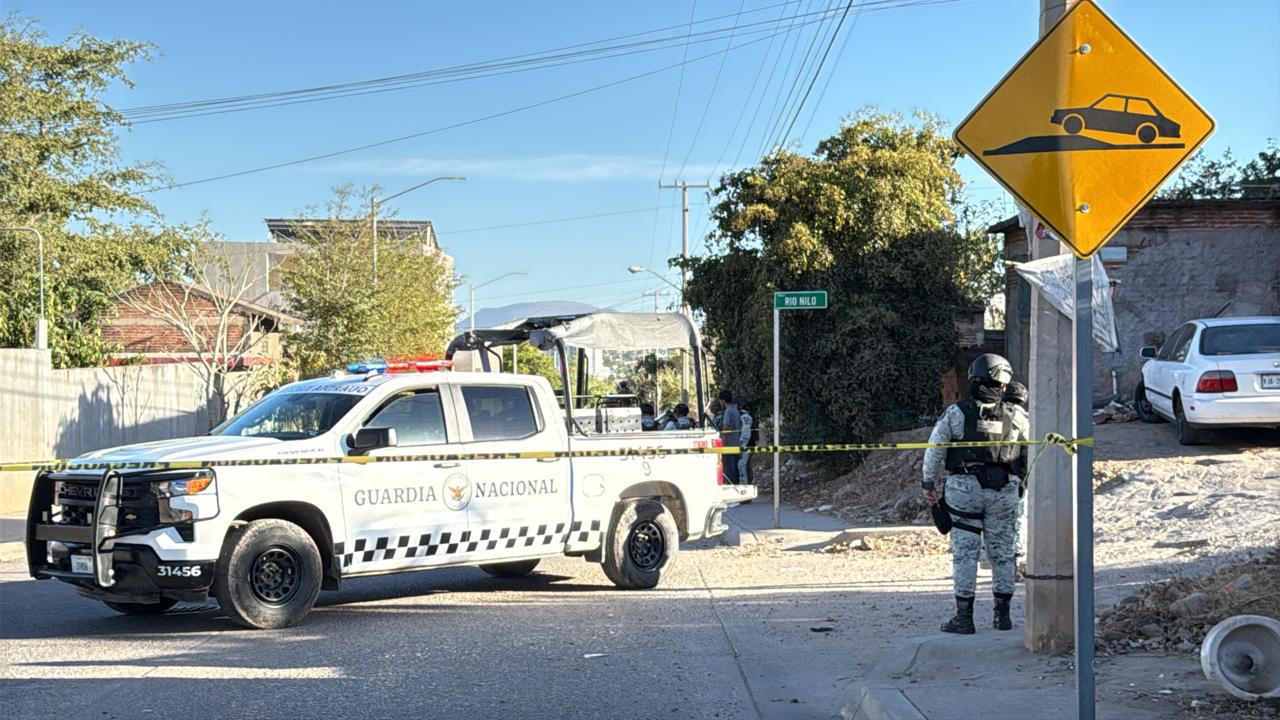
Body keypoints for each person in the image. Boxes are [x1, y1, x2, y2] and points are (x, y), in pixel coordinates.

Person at [922, 353, 1028, 634]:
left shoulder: (956, 413)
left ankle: (964, 618)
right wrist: (1022, 486)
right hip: (1003, 492)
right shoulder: (1017, 415)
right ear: (1003, 384)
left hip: (964, 492)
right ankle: (1002, 617)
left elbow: (935, 449)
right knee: (1003, 554)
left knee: (965, 555)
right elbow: (1031, 453)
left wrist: (928, 484)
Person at [1004, 381, 1030, 573]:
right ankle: (1016, 562)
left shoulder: (993, 414)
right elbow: (1029, 449)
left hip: (990, 478)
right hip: (1015, 477)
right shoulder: (1021, 418)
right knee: (1019, 518)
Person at [718, 390, 742, 485]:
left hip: (728, 445)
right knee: (735, 470)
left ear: (723, 400)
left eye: (720, 401)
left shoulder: (728, 411)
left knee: (729, 471)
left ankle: (731, 489)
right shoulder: (735, 410)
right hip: (736, 443)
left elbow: (726, 427)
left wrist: (724, 441)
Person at [736, 396, 754, 486]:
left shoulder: (743, 416)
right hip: (748, 445)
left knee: (741, 467)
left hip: (743, 446)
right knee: (746, 467)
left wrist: (741, 445)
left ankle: (744, 487)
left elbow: (745, 435)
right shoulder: (748, 415)